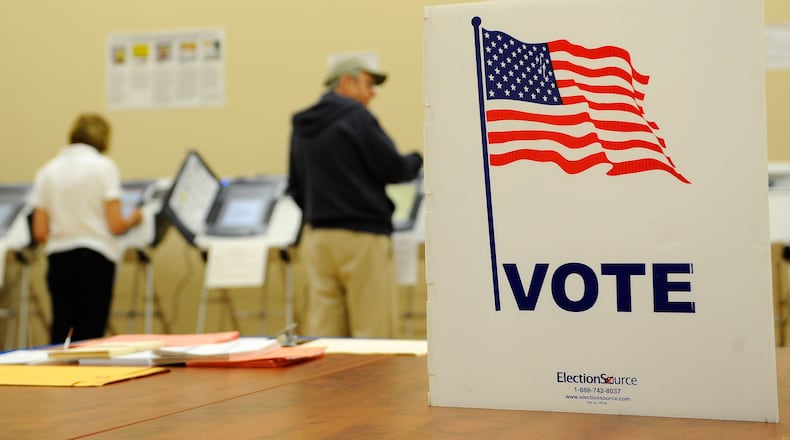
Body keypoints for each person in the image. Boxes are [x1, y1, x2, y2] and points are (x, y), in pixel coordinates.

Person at [287, 57, 423, 338]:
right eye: (369, 83)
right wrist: (417, 159)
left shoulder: (303, 125)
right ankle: (376, 386)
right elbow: (393, 168)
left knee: (327, 335)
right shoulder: (356, 117)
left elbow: (295, 186)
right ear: (346, 81)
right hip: (362, 239)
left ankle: (328, 385)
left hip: (318, 239)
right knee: (373, 334)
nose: (373, 92)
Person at [31, 113, 143, 344]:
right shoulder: (104, 167)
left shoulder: (47, 171)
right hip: (95, 258)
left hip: (58, 259)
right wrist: (135, 218)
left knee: (61, 329)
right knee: (90, 332)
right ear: (104, 139)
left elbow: (40, 232)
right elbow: (115, 224)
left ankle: (54, 379)